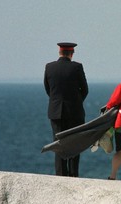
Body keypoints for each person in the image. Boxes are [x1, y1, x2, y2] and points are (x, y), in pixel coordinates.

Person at [44, 42, 88, 177]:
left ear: (59, 52)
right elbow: (85, 90)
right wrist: (76, 103)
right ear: (72, 53)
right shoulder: (77, 67)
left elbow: (48, 89)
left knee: (59, 144)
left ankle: (61, 174)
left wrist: (56, 102)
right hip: (74, 113)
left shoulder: (49, 67)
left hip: (56, 112)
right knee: (75, 143)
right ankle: (74, 174)